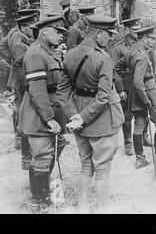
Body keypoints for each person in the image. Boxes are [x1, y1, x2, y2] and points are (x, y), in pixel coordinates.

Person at [57, 15, 124, 214]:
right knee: (102, 169)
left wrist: (75, 116)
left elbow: (62, 90)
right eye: (109, 35)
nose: (111, 39)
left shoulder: (70, 54)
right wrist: (84, 117)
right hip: (102, 120)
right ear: (98, 33)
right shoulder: (102, 57)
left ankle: (82, 209)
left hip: (79, 115)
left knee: (86, 165)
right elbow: (104, 96)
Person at [18, 15, 69, 213]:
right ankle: (40, 200)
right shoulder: (35, 53)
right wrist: (49, 119)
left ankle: (40, 192)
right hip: (38, 113)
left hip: (50, 109)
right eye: (58, 31)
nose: (61, 36)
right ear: (45, 31)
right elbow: (37, 90)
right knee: (42, 155)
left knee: (54, 148)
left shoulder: (49, 52)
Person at [114, 23, 156, 169]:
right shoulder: (142, 55)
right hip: (146, 92)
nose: (154, 42)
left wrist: (130, 76)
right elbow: (138, 80)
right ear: (144, 38)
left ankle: (140, 159)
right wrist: (145, 99)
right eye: (152, 38)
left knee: (139, 125)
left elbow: (116, 67)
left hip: (135, 93)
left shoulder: (132, 51)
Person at [10, 14, 38, 170]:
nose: (32, 30)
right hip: (23, 87)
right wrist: (27, 87)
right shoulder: (19, 44)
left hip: (24, 86)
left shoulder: (26, 42)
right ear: (23, 28)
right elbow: (19, 69)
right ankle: (26, 158)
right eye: (30, 27)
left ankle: (27, 155)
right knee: (25, 120)